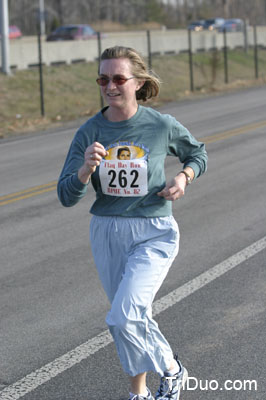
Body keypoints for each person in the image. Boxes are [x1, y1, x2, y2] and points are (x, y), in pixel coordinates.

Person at [57, 46, 207, 400]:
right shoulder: (89, 132)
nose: (110, 86)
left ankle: (171, 369)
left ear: (138, 83)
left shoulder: (159, 125)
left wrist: (184, 176)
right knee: (129, 319)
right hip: (107, 230)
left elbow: (197, 152)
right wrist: (84, 171)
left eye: (118, 78)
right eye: (103, 79)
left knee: (124, 316)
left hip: (153, 230)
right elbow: (66, 195)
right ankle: (139, 393)